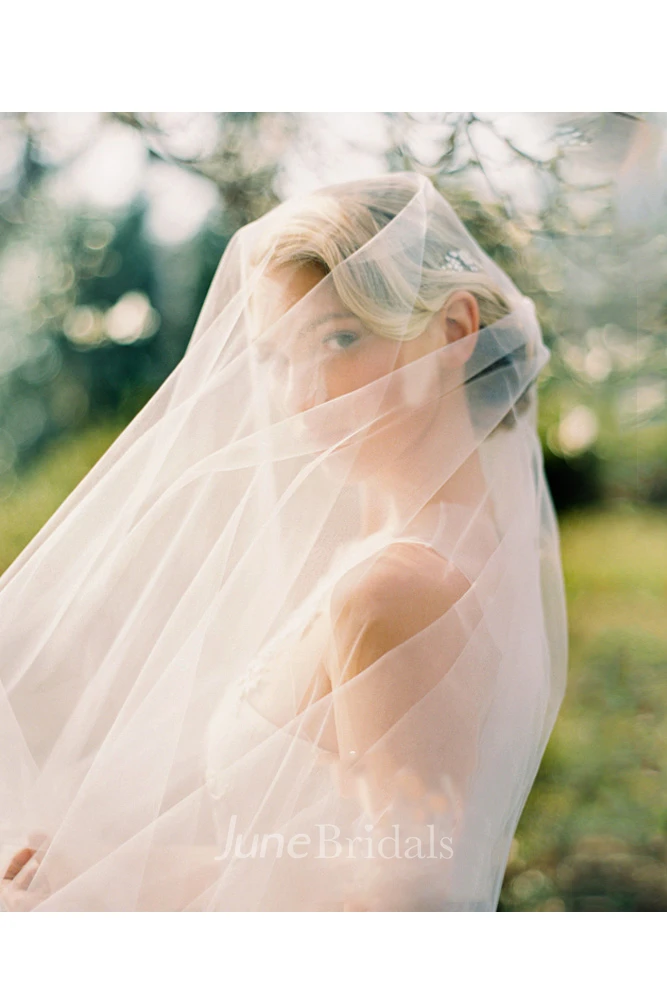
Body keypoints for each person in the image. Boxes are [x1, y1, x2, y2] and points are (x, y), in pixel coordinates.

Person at [0, 171, 568, 911]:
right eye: (276, 356)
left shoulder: (391, 594)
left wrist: (107, 896)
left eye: (338, 337)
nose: (302, 395)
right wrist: (102, 870)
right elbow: (338, 860)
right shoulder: (428, 551)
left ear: (456, 332)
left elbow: (405, 901)